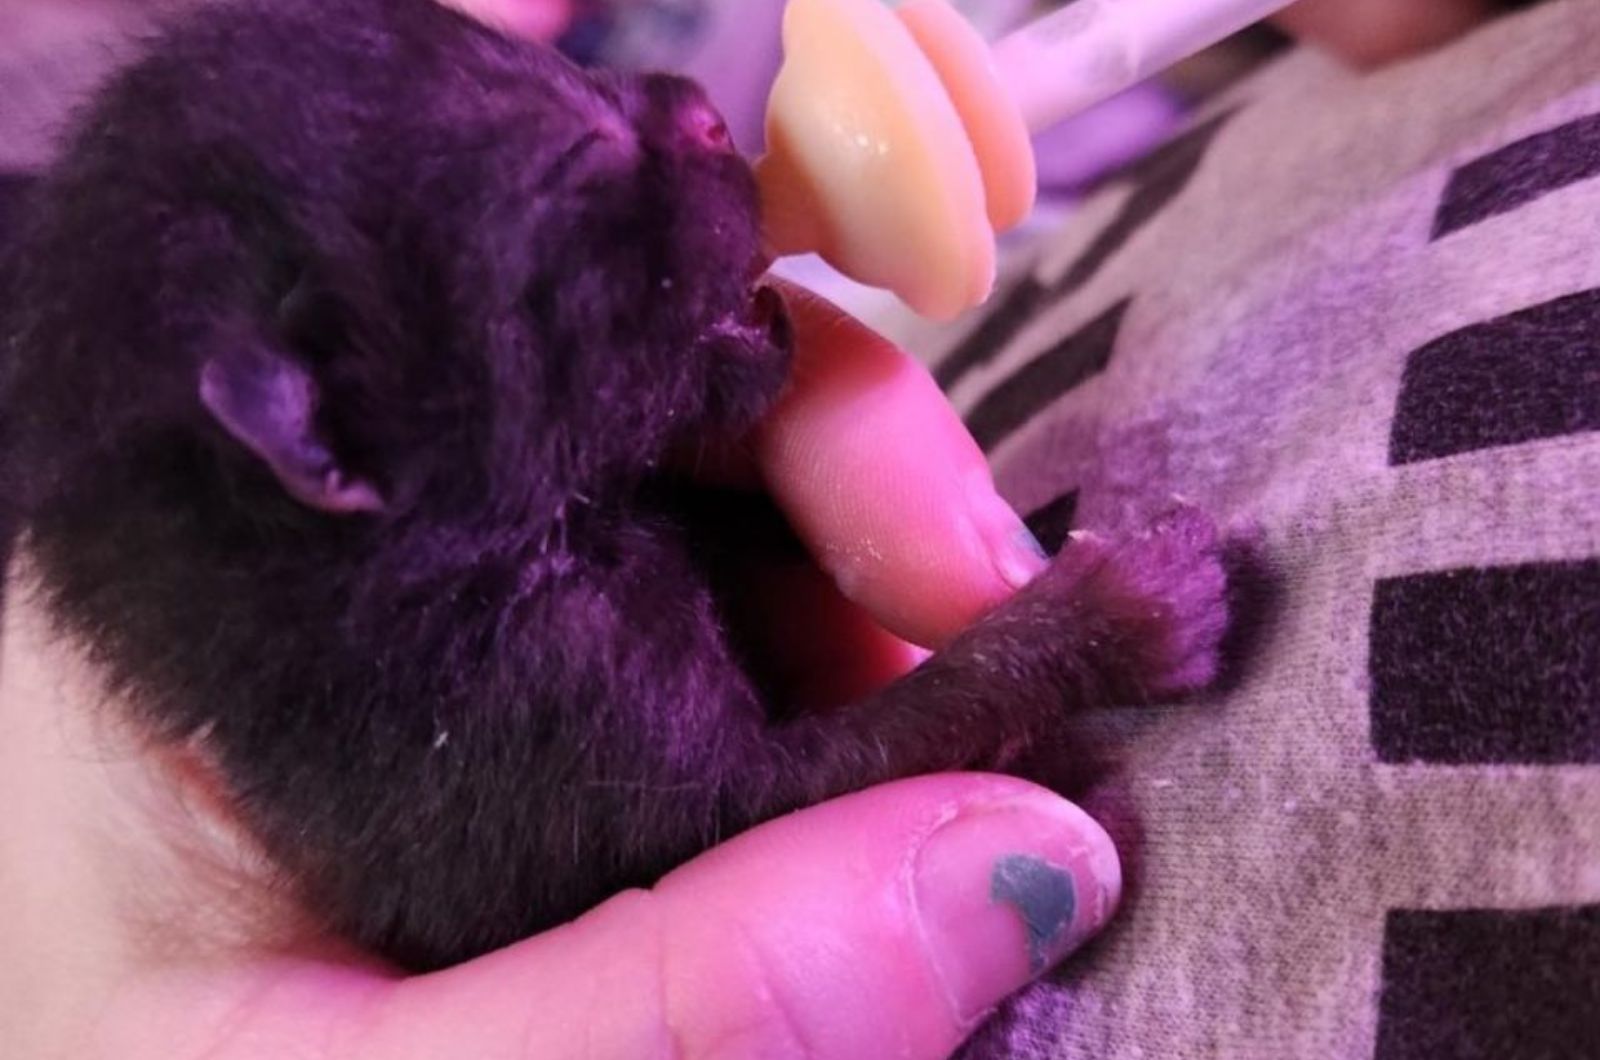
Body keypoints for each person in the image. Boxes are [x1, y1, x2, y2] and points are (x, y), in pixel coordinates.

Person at [1, 1, 1516, 1057]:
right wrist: (1063, 648)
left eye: (584, 95)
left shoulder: (442, 516)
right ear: (328, 433)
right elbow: (745, 811)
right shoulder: (493, 685)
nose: (681, 123)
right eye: (580, 186)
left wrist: (665, 342)